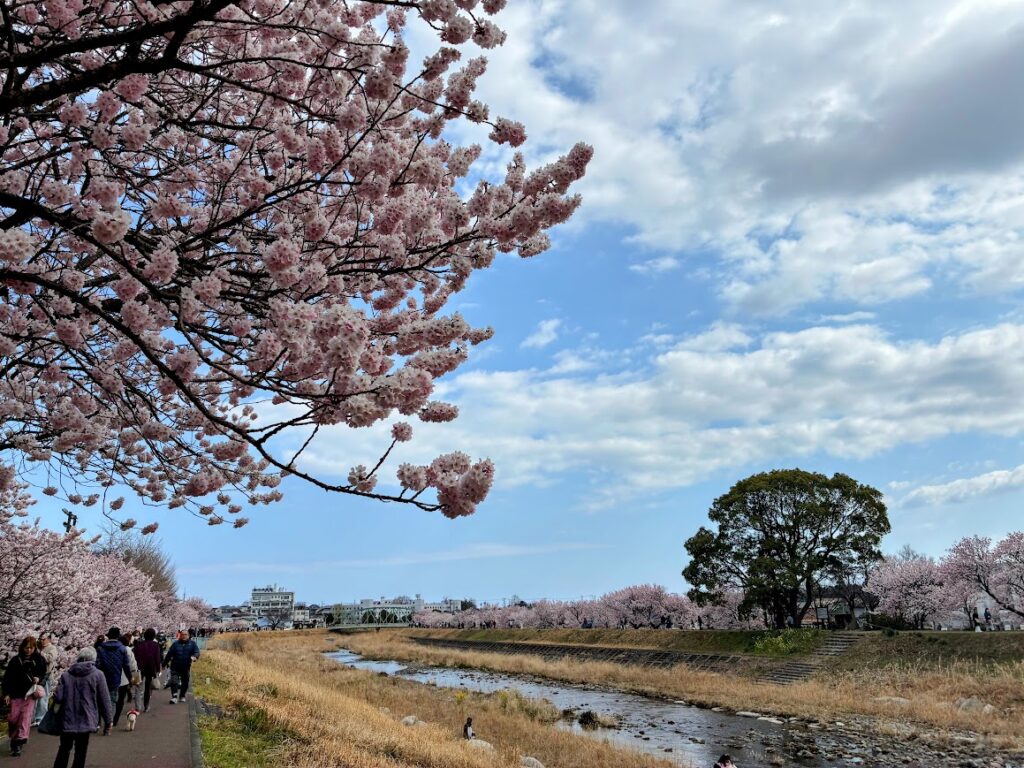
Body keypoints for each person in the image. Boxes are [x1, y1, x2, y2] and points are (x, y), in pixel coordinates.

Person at [52, 646, 113, 768]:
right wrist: (108, 720)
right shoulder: (98, 675)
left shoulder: (66, 675)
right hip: (86, 717)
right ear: (93, 659)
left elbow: (58, 698)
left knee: (64, 748)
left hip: (67, 717)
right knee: (81, 751)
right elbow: (104, 699)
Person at [2, 636, 47, 757]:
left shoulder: (39, 659)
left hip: (29, 693)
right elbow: (8, 677)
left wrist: (39, 678)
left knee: (25, 718)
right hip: (16, 693)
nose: (29, 650)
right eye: (27, 648)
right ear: (22, 647)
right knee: (13, 718)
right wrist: (6, 693)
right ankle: (13, 738)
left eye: (31, 648)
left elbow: (44, 673)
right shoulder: (16, 660)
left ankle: (19, 742)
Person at [94, 628, 131, 725]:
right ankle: (109, 722)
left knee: (100, 700)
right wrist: (130, 678)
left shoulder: (101, 648)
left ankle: (98, 722)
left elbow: (97, 664)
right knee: (113, 701)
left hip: (101, 678)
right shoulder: (122, 648)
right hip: (115, 678)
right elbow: (126, 665)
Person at [162, 630, 200, 704]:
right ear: (180, 635)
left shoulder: (192, 644)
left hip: (185, 667)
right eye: (182, 634)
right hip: (175, 666)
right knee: (174, 681)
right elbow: (169, 655)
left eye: (185, 634)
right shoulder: (175, 644)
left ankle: (182, 695)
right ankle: (174, 696)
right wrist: (164, 664)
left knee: (185, 682)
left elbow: (197, 652)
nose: (184, 636)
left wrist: (195, 656)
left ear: (188, 635)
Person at [111, 631, 139, 729]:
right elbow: (132, 664)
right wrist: (134, 674)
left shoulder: (108, 648)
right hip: (123, 678)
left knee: (111, 698)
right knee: (120, 700)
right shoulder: (127, 649)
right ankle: (115, 719)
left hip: (110, 677)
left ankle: (108, 718)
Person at [133, 629, 162, 713]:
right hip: (150, 668)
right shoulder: (155, 645)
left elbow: (134, 656)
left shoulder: (139, 644)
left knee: (137, 687)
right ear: (153, 636)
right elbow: (157, 658)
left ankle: (137, 707)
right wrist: (157, 669)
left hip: (138, 668)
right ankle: (146, 706)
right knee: (148, 687)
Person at [33, 633, 59, 727]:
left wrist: (40, 653)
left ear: (49, 639)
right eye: (41, 639)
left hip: (46, 676)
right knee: (35, 696)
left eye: (43, 639)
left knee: (43, 697)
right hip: (37, 675)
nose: (41, 641)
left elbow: (50, 658)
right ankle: (35, 717)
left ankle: (41, 718)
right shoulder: (39, 648)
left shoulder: (52, 648)